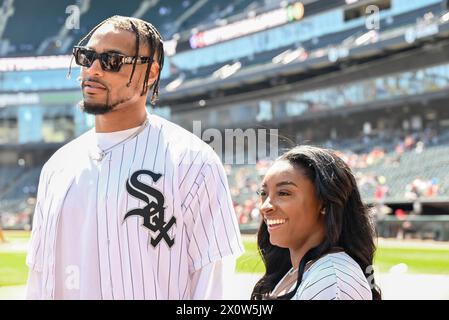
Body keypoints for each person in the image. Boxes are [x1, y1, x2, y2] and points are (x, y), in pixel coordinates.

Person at [26, 16, 243, 300]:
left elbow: (214, 282)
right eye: (86, 56)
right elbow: (40, 275)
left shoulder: (193, 161)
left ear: (151, 74)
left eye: (111, 60)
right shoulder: (57, 166)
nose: (93, 69)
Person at [251, 146, 381, 300]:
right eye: (263, 194)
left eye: (283, 193)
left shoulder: (331, 281)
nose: (265, 206)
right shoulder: (302, 270)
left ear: (324, 203)